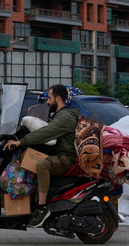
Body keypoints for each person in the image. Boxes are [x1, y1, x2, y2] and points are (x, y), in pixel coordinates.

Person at [5, 84, 80, 227]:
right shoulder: (59, 115)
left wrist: (21, 142)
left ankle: (41, 208)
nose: (47, 102)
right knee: (28, 158)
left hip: (66, 158)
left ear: (58, 98)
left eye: (50, 98)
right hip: (59, 154)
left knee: (42, 165)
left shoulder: (65, 117)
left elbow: (46, 133)